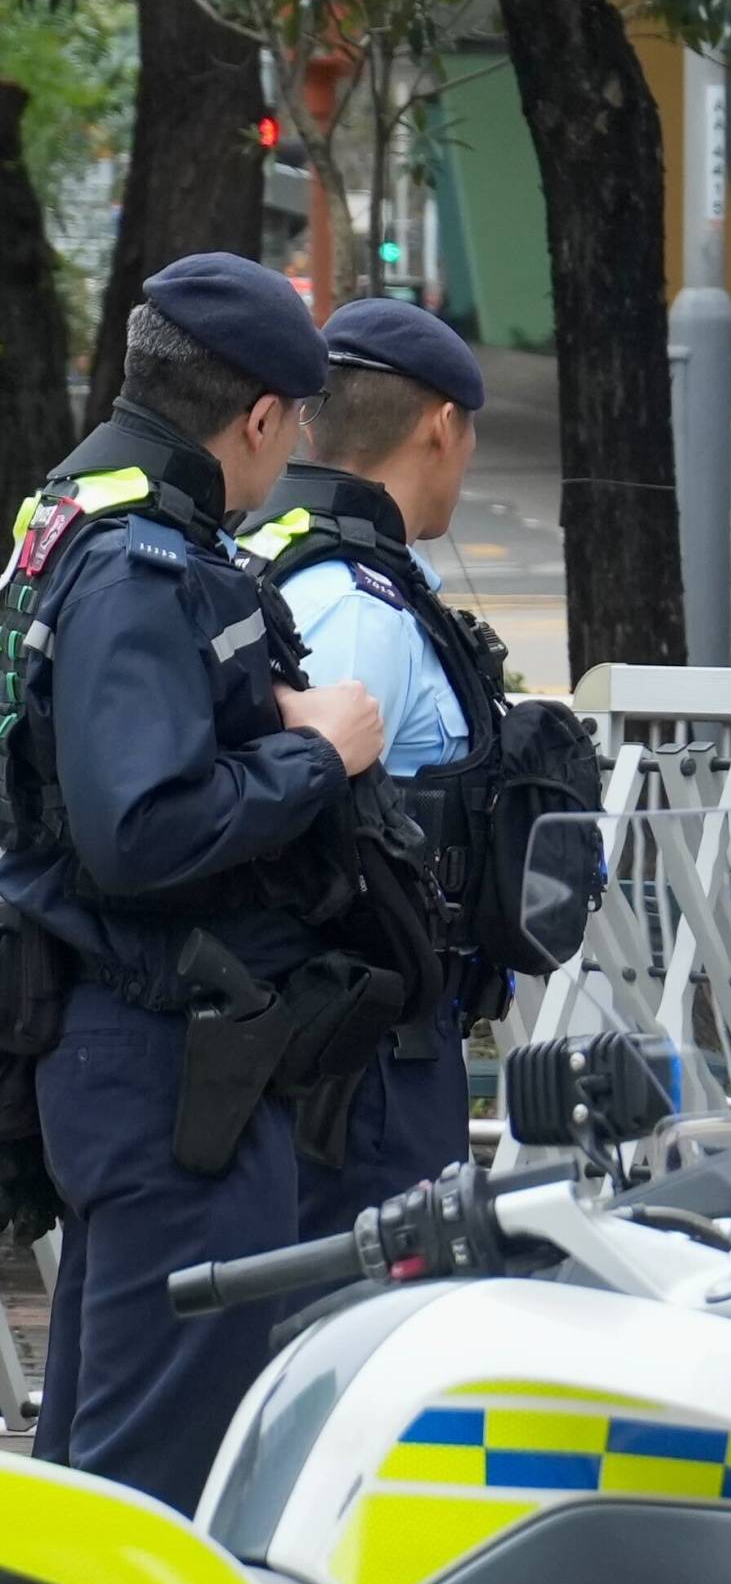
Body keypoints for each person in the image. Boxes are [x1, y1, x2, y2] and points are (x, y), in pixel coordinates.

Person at [0, 256, 385, 1506]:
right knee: (156, 1481)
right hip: (169, 1061)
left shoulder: (90, 515)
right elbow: (139, 830)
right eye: (300, 420)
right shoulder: (140, 563)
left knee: (100, 1466)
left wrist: (265, 719)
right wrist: (316, 752)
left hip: (149, 1052)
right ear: (262, 416)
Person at [244, 298, 497, 1239]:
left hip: (354, 1037)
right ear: (442, 426)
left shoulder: (293, 556)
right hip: (363, 1057)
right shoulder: (355, 602)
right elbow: (315, 822)